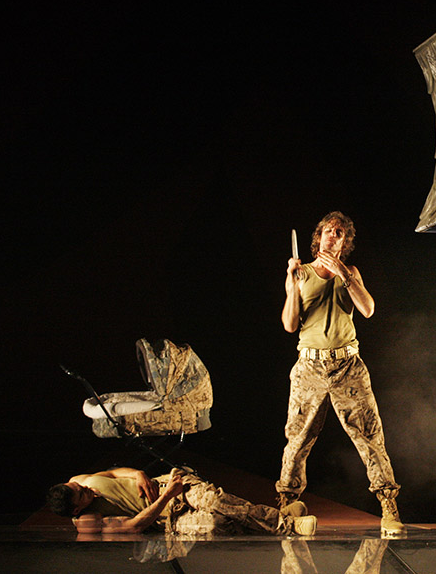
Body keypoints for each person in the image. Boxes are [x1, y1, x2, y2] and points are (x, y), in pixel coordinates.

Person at [279, 211, 404, 536]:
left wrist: (344, 275)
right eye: (328, 231)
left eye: (340, 233)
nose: (333, 236)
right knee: (298, 437)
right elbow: (290, 325)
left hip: (347, 366)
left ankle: (389, 509)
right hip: (309, 367)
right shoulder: (301, 273)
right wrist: (292, 286)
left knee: (369, 437)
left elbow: (368, 309)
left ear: (345, 242)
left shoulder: (351, 272)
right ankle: (287, 504)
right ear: (318, 237)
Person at [46, 466, 316, 536]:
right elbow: (134, 526)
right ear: (78, 508)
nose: (85, 487)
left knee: (214, 501)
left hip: (166, 484)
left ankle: (287, 525)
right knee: (216, 525)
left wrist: (139, 473)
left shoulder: (79, 479)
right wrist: (166, 497)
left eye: (79, 485)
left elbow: (114, 472)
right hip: (166, 515)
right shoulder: (88, 522)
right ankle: (279, 515)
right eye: (82, 493)